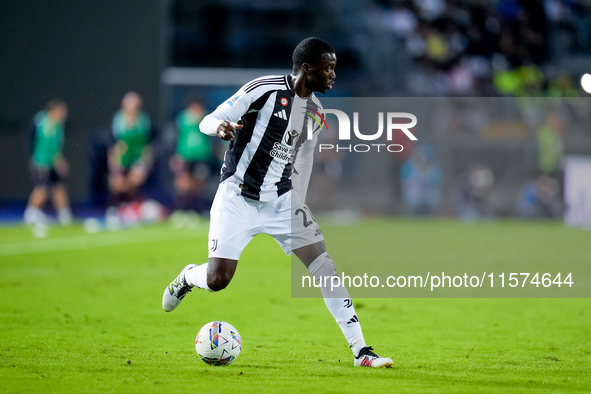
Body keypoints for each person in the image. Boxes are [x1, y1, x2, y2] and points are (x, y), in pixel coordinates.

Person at [162, 37, 393, 368]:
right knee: (217, 280)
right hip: (238, 197)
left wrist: (298, 198)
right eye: (328, 69)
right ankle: (187, 278)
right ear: (306, 68)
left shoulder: (316, 112)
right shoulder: (263, 90)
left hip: (282, 199)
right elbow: (208, 119)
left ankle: (361, 351)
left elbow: (306, 155)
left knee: (324, 266)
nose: (333, 76)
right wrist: (219, 127)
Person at [24, 98, 73, 226]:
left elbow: (56, 146)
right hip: (41, 162)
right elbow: (38, 144)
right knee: (42, 188)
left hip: (52, 163)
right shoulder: (41, 122)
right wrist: (40, 162)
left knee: (58, 187)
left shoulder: (59, 125)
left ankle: (64, 214)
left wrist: (59, 159)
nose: (64, 114)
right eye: (62, 110)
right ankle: (31, 213)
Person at [108, 92, 153, 205]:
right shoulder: (118, 119)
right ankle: (117, 205)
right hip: (122, 154)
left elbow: (148, 139)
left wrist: (147, 156)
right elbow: (113, 139)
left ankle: (131, 204)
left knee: (136, 178)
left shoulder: (143, 119)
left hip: (138, 154)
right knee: (117, 182)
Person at [169, 99, 213, 213]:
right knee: (183, 183)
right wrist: (174, 155)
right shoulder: (181, 119)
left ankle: (195, 210)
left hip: (201, 157)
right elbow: (175, 137)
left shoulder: (207, 119)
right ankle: (181, 210)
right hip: (184, 157)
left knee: (198, 184)